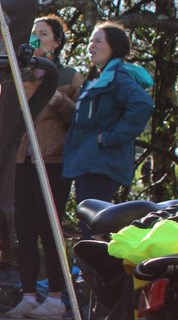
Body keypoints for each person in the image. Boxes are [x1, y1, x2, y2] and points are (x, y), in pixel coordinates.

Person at [4, 15, 84, 319]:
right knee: (23, 227)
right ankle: (27, 294)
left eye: (43, 33)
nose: (36, 38)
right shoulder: (19, 72)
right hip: (23, 157)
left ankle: (55, 296)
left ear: (57, 41)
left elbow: (78, 118)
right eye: (33, 33)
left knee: (49, 226)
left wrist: (57, 97)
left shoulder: (68, 75)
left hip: (52, 159)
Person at [64, 21, 156, 237]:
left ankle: (91, 270)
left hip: (102, 165)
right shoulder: (99, 78)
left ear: (114, 46)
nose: (91, 46)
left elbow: (142, 105)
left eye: (98, 41)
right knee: (89, 224)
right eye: (90, 41)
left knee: (94, 226)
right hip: (88, 163)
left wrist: (109, 137)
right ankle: (88, 269)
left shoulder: (119, 78)